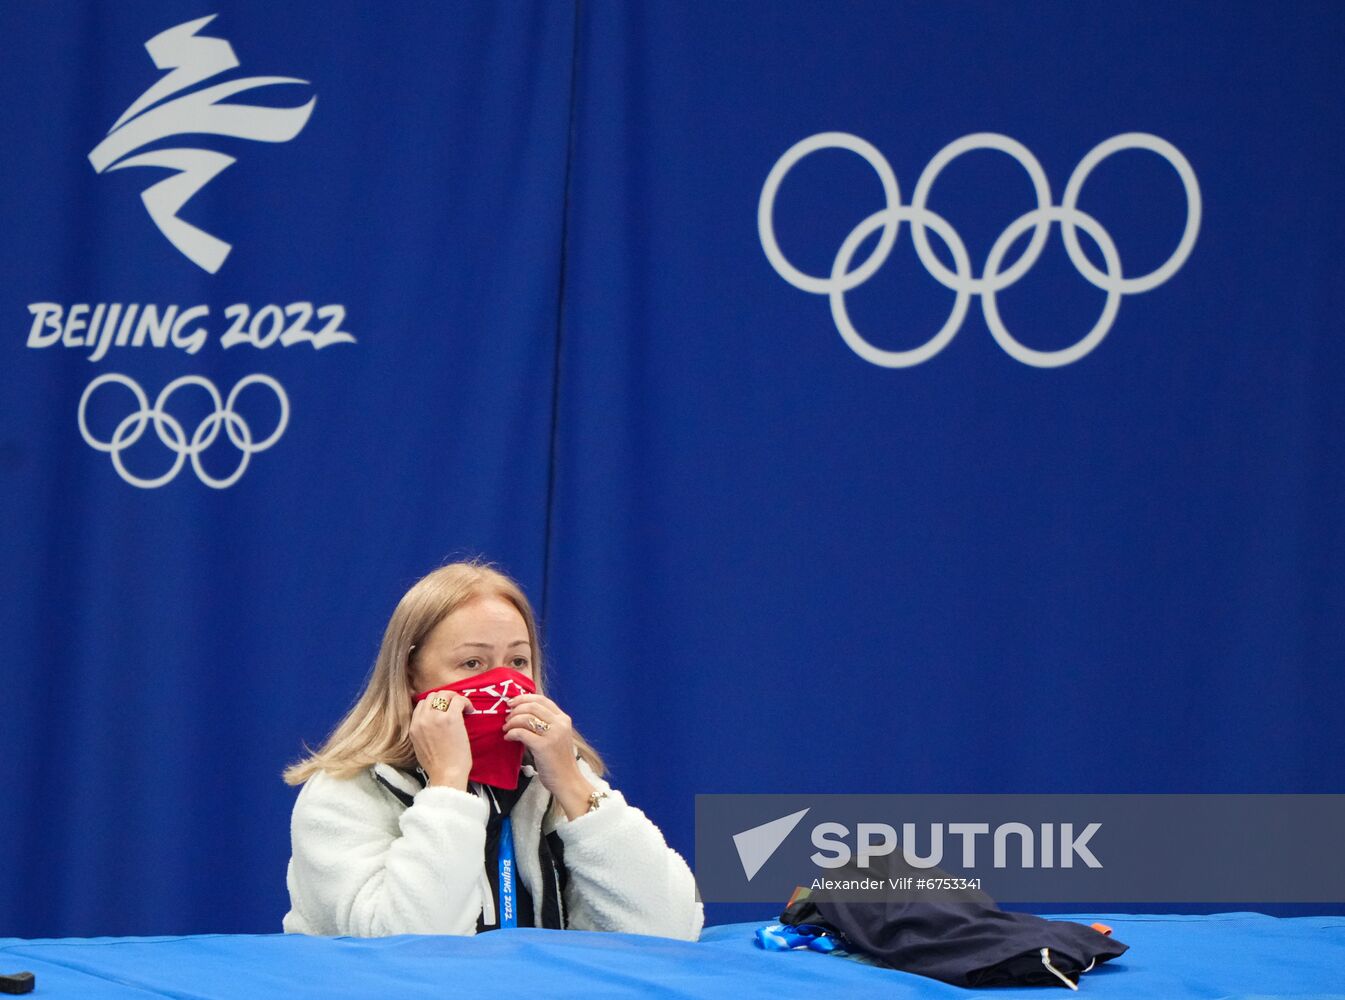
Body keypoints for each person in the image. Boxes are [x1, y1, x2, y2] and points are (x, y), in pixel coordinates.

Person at [281, 561, 703, 940]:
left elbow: (669, 928)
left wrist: (574, 787)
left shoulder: (548, 776)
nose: (502, 685)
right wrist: (448, 787)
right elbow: (408, 950)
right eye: (473, 664)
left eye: (518, 662)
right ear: (412, 676)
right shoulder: (343, 794)